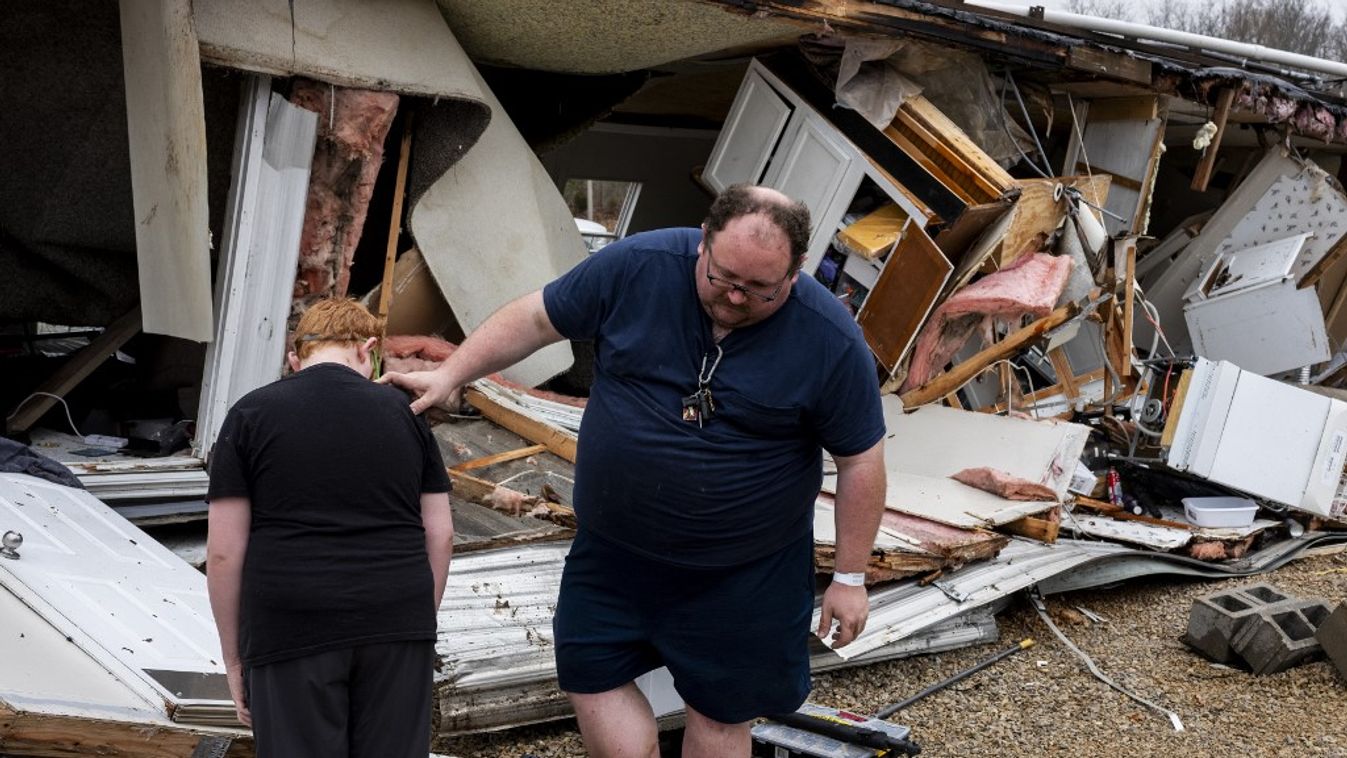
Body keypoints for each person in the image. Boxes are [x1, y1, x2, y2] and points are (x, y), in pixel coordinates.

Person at [382, 184, 886, 757]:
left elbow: (860, 459)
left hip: (743, 573)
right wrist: (451, 374)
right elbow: (536, 317)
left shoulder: (830, 340)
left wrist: (850, 578)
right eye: (723, 278)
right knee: (592, 676)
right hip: (613, 555)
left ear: (795, 273)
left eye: (760, 289)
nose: (737, 299)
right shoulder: (638, 266)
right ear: (703, 242)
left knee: (722, 716)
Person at [206, 298, 454, 758]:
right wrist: (417, 621)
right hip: (396, 618)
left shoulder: (249, 416)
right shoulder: (408, 416)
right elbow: (439, 534)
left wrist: (235, 658)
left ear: (295, 359)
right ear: (369, 351)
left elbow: (223, 552)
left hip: (291, 625)